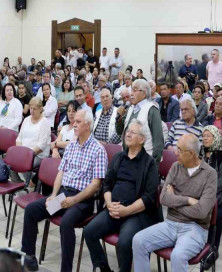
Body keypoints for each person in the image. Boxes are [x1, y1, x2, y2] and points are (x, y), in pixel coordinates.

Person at [20, 109, 107, 272]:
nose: (74, 124)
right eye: (75, 121)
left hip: (82, 201)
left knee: (66, 223)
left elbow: (96, 185)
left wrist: (74, 200)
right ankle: (30, 257)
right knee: (32, 210)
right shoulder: (72, 145)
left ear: (87, 125)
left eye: (79, 122)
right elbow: (61, 172)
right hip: (63, 197)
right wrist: (54, 195)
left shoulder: (98, 150)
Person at [132, 134, 217, 272]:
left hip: (195, 228)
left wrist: (174, 201)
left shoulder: (210, 174)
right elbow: (163, 199)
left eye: (179, 149)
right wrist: (188, 200)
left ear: (191, 154)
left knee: (178, 255)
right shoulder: (175, 167)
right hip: (171, 224)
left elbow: (202, 212)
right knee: (138, 240)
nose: (175, 152)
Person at [84, 120, 159, 272]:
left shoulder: (149, 163)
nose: (128, 134)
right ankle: (104, 268)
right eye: (127, 131)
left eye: (133, 132)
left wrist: (127, 210)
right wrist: (109, 203)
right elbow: (107, 184)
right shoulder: (119, 157)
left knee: (124, 242)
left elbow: (149, 196)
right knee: (89, 231)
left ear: (142, 139)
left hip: (135, 214)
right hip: (113, 208)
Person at [116, 79, 165, 162]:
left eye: (135, 90)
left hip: (144, 162)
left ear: (144, 94)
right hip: (127, 159)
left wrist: (153, 165)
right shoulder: (130, 109)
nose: (131, 93)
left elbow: (158, 141)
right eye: (131, 90)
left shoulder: (152, 109)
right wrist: (119, 120)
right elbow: (119, 132)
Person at [201, 125, 222, 268]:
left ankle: (213, 249)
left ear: (216, 138)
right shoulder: (200, 153)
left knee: (215, 215)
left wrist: (207, 191)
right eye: (203, 135)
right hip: (202, 192)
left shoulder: (221, 155)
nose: (205, 138)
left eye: (208, 135)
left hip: (219, 195)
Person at [14, 97, 51, 184]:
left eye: (35, 109)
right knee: (10, 161)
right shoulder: (27, 120)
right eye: (31, 108)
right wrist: (20, 151)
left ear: (40, 109)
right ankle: (17, 183)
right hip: (24, 153)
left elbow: (41, 146)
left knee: (22, 163)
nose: (32, 111)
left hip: (38, 155)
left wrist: (27, 155)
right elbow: (19, 137)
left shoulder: (44, 122)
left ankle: (27, 184)